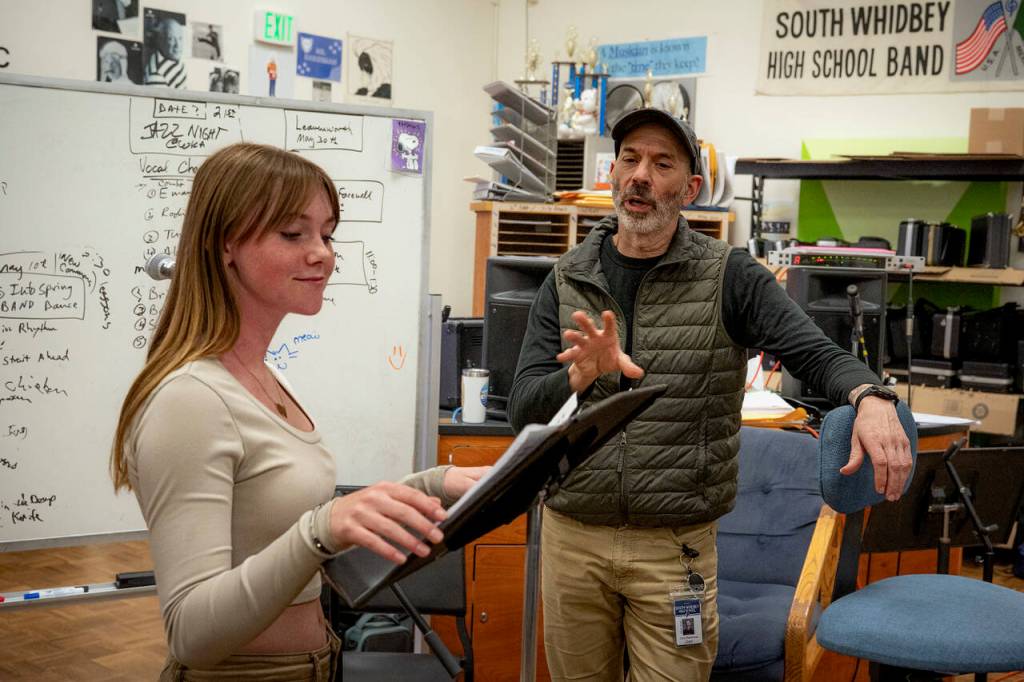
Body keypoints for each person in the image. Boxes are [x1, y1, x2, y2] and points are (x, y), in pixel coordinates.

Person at [507, 107, 912, 682]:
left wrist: (871, 397)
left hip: (674, 550)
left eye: (661, 163)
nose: (640, 175)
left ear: (690, 188)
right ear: (613, 175)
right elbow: (521, 410)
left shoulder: (729, 276)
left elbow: (817, 354)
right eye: (630, 159)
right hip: (573, 539)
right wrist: (577, 377)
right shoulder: (567, 276)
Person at [110, 142, 487, 680]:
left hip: (316, 663)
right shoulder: (190, 399)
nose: (322, 253)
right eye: (293, 234)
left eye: (327, 233)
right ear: (224, 246)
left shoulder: (264, 375)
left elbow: (283, 521)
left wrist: (435, 483)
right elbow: (191, 633)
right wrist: (321, 529)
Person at [144, 15, 185, 88]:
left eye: (180, 38)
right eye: (171, 39)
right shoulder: (156, 76)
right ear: (160, 40)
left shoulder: (170, 55)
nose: (178, 45)